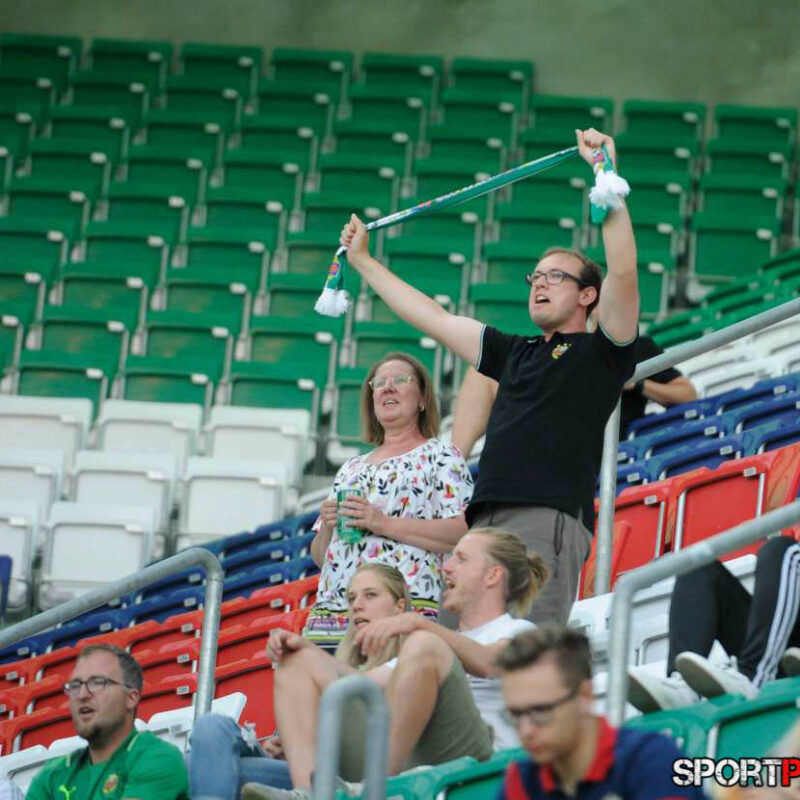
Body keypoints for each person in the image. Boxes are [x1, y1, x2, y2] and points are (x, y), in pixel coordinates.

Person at [340, 128, 640, 626]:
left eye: (556, 277)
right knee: (457, 664)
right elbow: (431, 317)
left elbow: (624, 271)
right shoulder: (513, 352)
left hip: (545, 520)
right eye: (535, 277)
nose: (540, 283)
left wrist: (604, 173)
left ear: (588, 296)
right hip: (479, 526)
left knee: (522, 662)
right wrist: (364, 263)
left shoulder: (602, 352)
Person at [236, 528, 547, 800]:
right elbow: (363, 685)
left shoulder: (517, 633)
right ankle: (310, 793)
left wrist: (418, 624)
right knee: (296, 660)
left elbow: (489, 663)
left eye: (461, 559)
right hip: (416, 754)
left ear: (493, 575)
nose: (447, 567)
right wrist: (306, 653)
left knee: (426, 645)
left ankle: (376, 789)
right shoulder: (431, 646)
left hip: (481, 762)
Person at [305, 351, 473, 650]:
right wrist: (329, 527)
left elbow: (462, 533)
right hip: (333, 619)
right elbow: (321, 557)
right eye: (379, 383)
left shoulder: (442, 456)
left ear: (422, 399)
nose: (387, 387)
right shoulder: (351, 467)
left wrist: (382, 523)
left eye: (400, 380)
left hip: (403, 613)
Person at [494, 626, 705, 800]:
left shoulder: (651, 758)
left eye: (540, 711)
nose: (526, 730)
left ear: (585, 695)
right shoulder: (520, 782)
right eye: (515, 714)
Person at [451, 333, 698, 460]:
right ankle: (452, 465)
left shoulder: (637, 348)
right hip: (543, 425)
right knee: (481, 373)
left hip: (587, 444)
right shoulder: (561, 347)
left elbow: (687, 394)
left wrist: (637, 384)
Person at [627, 535, 800, 713]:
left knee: (785, 551)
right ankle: (682, 688)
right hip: (785, 651)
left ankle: (755, 678)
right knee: (696, 563)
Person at [26, 644, 189, 800]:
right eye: (75, 685)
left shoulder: (157, 757)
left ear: (131, 698)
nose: (82, 695)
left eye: (97, 683)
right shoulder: (50, 776)